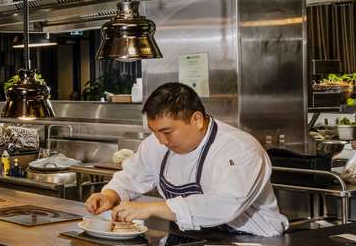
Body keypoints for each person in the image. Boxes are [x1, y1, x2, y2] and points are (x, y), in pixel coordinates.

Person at [86, 82, 288, 236]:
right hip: (190, 238)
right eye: (155, 132)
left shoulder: (240, 149)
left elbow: (224, 205)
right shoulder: (156, 143)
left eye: (167, 132)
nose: (161, 141)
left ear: (197, 120)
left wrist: (152, 208)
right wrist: (110, 195)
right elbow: (132, 177)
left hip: (250, 243)